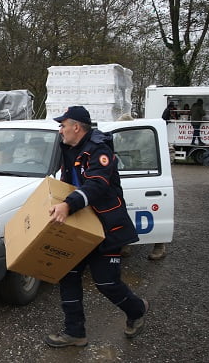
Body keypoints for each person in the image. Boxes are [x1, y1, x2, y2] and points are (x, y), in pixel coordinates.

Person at [45, 106, 149, 348]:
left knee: (106, 283)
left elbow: (97, 185)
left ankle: (137, 310)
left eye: (63, 125)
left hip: (106, 228)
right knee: (68, 275)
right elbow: (67, 183)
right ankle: (75, 332)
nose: (60, 130)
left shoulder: (100, 150)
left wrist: (68, 206)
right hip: (81, 226)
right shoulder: (68, 149)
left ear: (76, 127)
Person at [117, 113, 167, 261]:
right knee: (126, 214)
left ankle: (160, 245)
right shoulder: (121, 138)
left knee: (156, 215)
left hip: (148, 177)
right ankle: (127, 243)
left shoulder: (147, 137)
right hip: (128, 177)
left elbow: (164, 155)